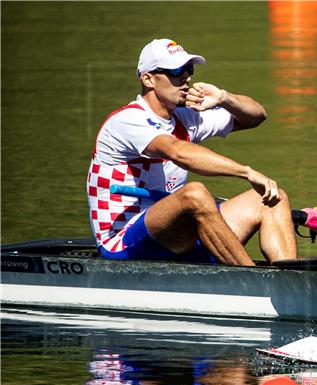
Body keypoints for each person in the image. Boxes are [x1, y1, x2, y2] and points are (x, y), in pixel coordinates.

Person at [86, 38, 296, 266]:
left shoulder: (186, 118)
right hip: (123, 241)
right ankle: (253, 280)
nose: (186, 78)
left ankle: (291, 280)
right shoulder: (127, 121)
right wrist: (247, 172)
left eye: (189, 69)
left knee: (270, 197)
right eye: (176, 71)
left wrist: (224, 98)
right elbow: (178, 152)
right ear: (148, 78)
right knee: (195, 193)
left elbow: (256, 116)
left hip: (175, 235)